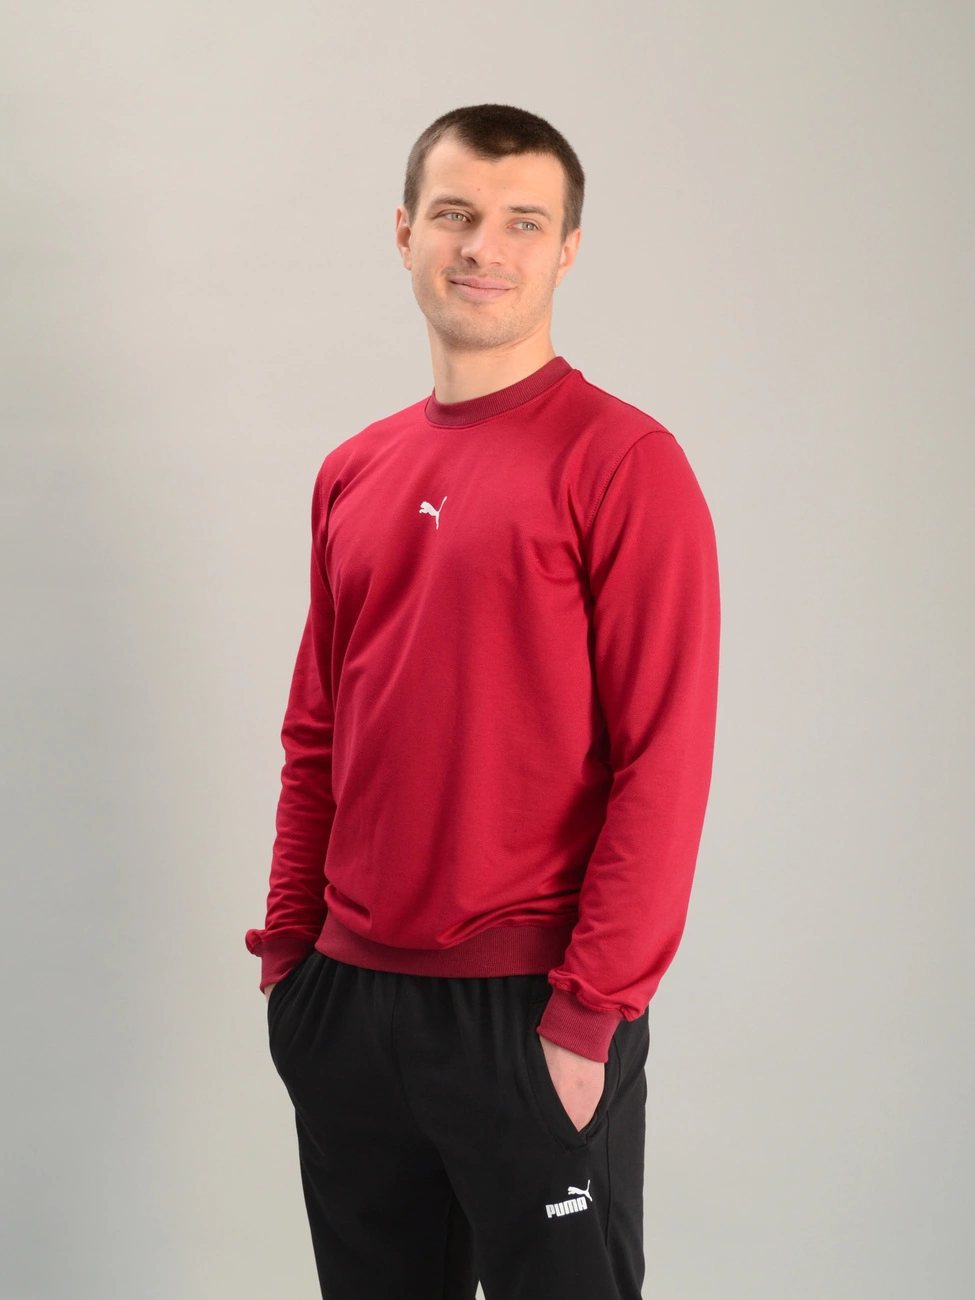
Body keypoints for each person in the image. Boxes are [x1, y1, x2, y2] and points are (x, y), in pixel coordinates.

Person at [245, 101, 721, 1300]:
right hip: (347, 1003)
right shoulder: (354, 470)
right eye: (455, 214)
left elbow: (662, 761)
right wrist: (293, 958)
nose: (483, 247)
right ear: (406, 232)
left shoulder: (624, 464)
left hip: (529, 1006)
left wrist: (588, 1015)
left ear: (568, 250)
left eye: (523, 221)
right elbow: (318, 734)